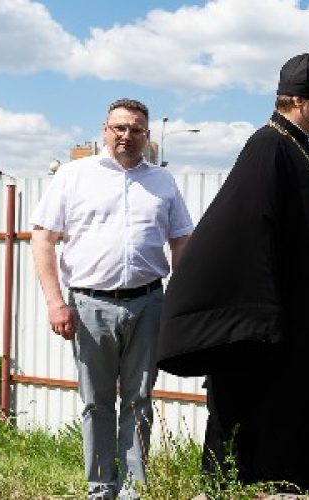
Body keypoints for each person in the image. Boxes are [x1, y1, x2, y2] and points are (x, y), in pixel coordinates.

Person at [156, 53, 309, 496]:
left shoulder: (296, 144)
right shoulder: (269, 145)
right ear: (300, 101)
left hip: (305, 321)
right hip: (278, 324)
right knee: (253, 415)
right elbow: (245, 231)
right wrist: (262, 317)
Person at [30, 98, 193, 499]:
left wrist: (180, 299)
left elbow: (182, 240)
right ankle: (101, 488)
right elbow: (43, 238)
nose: (127, 136)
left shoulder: (163, 181)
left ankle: (135, 491)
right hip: (89, 306)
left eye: (136, 129)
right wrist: (55, 302)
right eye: (119, 127)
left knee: (139, 401)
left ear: (147, 135)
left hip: (148, 303)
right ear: (105, 129)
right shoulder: (73, 176)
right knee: (96, 403)